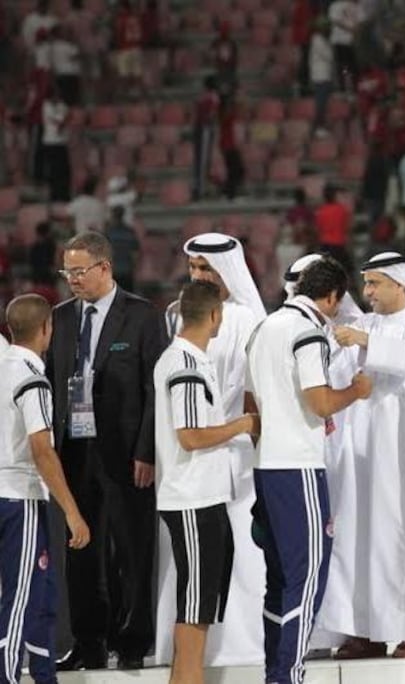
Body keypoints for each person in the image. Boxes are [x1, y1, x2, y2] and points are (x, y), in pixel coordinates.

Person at [244, 256, 372, 683]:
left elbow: (250, 400)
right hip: (298, 467)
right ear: (333, 296)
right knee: (306, 576)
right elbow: (318, 401)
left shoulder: (264, 327)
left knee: (278, 578)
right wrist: (355, 390)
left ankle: (273, 670)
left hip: (266, 464)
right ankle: (289, 675)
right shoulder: (308, 333)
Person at [47, 232, 168, 671]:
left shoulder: (142, 316)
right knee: (80, 548)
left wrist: (148, 450)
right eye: (67, 272)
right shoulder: (59, 319)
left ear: (104, 268)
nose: (72, 280)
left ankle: (133, 640)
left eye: (79, 271)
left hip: (126, 453)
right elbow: (49, 384)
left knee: (132, 548)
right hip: (74, 452)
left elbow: (156, 390)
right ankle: (88, 640)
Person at [319, 253, 405, 659]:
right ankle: (364, 631)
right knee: (357, 538)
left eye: (375, 284)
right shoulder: (362, 325)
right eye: (366, 284)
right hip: (362, 452)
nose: (368, 292)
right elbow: (338, 373)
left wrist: (365, 343)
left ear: (400, 285)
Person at [154, 233, 268, 668]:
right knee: (193, 568)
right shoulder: (179, 324)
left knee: (233, 557)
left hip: (236, 459)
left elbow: (257, 391)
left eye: (208, 269)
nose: (199, 275)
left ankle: (239, 649)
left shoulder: (246, 318)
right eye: (194, 268)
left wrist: (251, 434)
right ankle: (187, 667)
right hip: (190, 461)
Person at [0, 294, 91, 684]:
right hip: (19, 498)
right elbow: (42, 450)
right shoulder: (31, 378)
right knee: (19, 598)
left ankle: (43, 674)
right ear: (46, 330)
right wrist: (72, 511)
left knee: (40, 590)